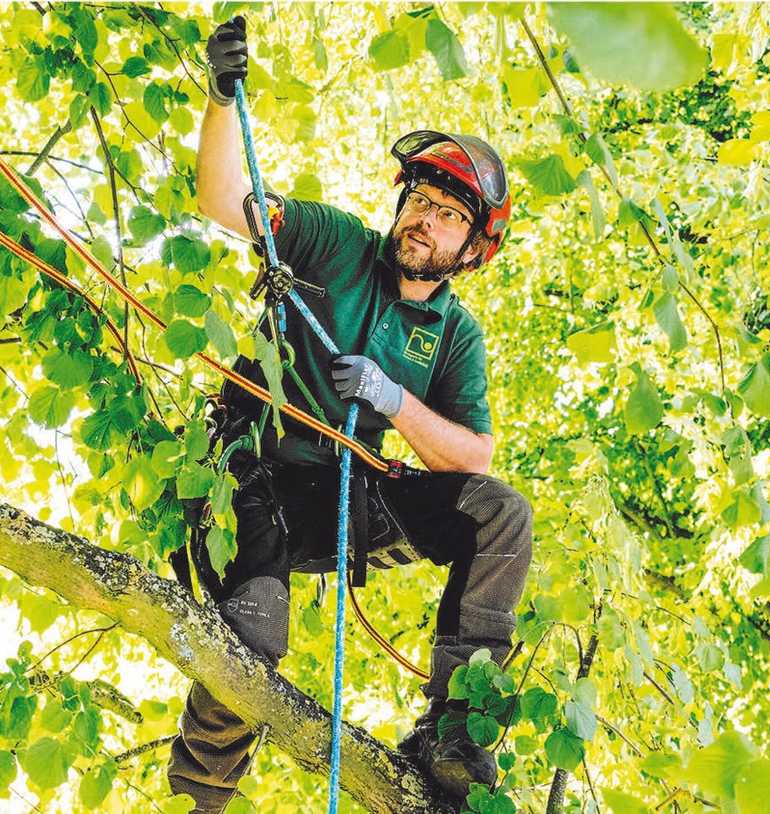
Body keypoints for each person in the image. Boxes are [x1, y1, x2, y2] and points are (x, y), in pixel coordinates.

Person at [166, 16, 533, 812]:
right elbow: (226, 199)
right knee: (256, 631)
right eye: (420, 200)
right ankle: (201, 796)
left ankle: (454, 734)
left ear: (473, 250)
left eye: (447, 215)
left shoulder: (455, 336)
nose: (423, 218)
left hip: (348, 498)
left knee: (499, 515)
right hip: (253, 471)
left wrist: (395, 400)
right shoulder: (334, 243)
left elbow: (474, 454)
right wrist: (222, 99)